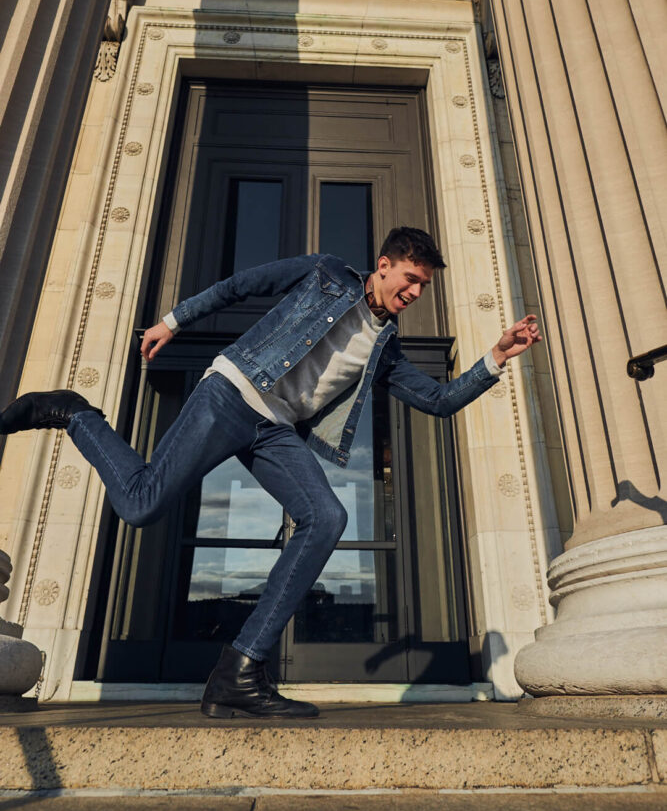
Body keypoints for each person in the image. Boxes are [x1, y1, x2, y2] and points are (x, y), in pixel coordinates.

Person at [0, 226, 541, 719]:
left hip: (275, 429)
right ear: (383, 265)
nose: (416, 294)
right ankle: (73, 413)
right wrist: (174, 320)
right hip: (231, 393)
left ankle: (237, 671)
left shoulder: (386, 346)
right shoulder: (326, 272)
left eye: (423, 286)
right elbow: (243, 284)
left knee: (325, 517)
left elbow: (440, 400)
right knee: (142, 504)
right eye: (411, 279)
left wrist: (496, 356)